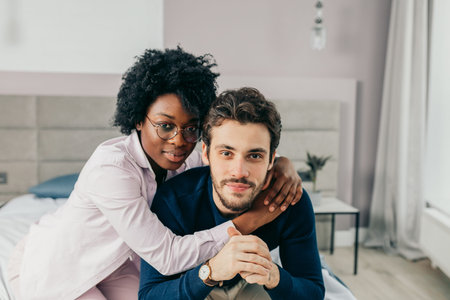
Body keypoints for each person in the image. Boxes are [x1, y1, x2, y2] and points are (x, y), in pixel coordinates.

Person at [7, 48, 303, 300]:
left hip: (117, 264)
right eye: (165, 125)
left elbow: (228, 159)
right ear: (138, 118)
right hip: (59, 263)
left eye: (191, 129)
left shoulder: (184, 160)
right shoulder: (112, 168)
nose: (178, 140)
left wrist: (280, 164)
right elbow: (167, 256)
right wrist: (250, 221)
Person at [139, 87, 325, 300]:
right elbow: (149, 295)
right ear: (206, 154)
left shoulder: (288, 199)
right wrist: (211, 271)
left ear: (272, 159)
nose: (239, 172)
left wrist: (274, 276)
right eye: (226, 153)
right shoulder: (174, 200)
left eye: (254, 155)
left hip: (255, 284)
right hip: (194, 283)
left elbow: (313, 292)